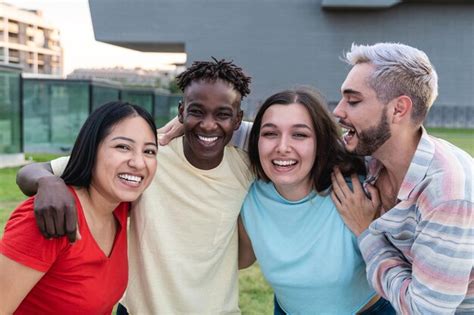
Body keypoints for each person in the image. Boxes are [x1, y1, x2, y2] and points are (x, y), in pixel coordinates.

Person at [16, 58, 253, 314]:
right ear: (181, 111)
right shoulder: (148, 159)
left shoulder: (246, 168)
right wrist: (48, 181)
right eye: (197, 111)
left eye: (223, 114)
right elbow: (28, 172)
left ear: (238, 119)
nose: (208, 124)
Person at [330, 42, 473, 314]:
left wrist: (365, 231)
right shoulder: (372, 155)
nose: (338, 111)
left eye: (353, 100)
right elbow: (291, 143)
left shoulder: (446, 192)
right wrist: (226, 127)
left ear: (398, 109)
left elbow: (424, 311)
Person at [237, 87, 395, 314]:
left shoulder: (359, 192)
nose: (282, 147)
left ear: (320, 143)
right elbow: (241, 259)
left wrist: (367, 229)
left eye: (299, 135)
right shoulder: (249, 196)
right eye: (270, 134)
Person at [0, 101, 158, 314]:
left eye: (149, 151)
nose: (139, 163)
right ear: (91, 149)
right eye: (123, 147)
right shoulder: (51, 216)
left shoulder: (118, 207)